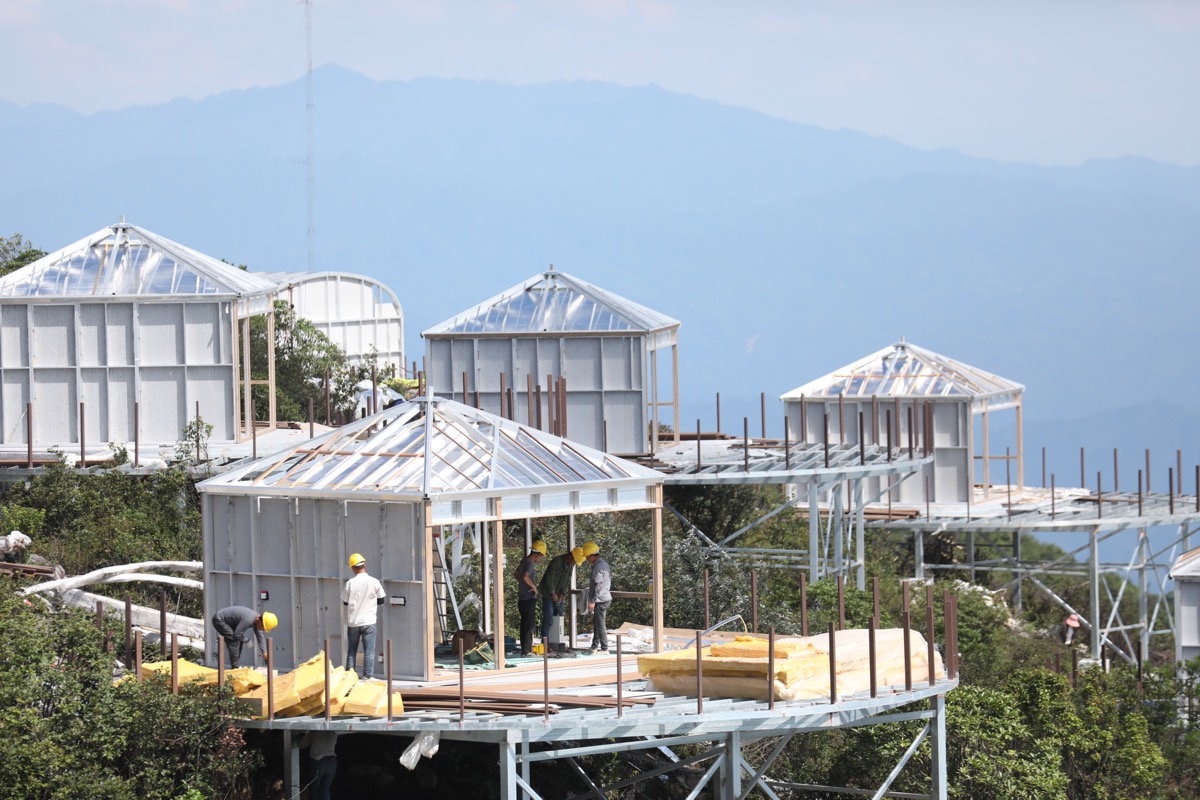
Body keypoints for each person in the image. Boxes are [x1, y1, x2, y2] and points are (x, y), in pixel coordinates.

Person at [343, 552, 385, 678]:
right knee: (369, 651)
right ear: (364, 565)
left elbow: (345, 601)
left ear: (352, 568)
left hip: (353, 622)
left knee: (351, 651)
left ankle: (349, 677)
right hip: (369, 621)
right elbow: (381, 600)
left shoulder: (350, 583)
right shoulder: (374, 581)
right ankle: (367, 676)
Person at [539, 546, 584, 650]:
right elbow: (549, 578)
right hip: (548, 593)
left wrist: (562, 594)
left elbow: (567, 579)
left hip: (559, 593)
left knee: (559, 617)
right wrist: (553, 593)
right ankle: (545, 641)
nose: (575, 563)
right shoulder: (557, 562)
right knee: (549, 617)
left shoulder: (571, 565)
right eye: (575, 560)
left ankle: (556, 640)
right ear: (570, 556)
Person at [211, 606, 277, 668]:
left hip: (228, 622)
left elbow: (260, 637)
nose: (262, 630)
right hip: (219, 620)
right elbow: (237, 634)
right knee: (234, 641)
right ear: (259, 621)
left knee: (239, 640)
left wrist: (264, 652)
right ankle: (235, 668)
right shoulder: (249, 620)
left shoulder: (256, 620)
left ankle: (235, 666)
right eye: (263, 627)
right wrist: (247, 640)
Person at [515, 540, 547, 656]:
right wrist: (534, 587)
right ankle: (527, 651)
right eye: (541, 556)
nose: (541, 559)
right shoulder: (529, 562)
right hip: (528, 599)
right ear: (538, 553)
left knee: (525, 624)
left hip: (522, 598)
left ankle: (525, 649)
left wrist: (523, 586)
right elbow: (525, 576)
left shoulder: (524, 561)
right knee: (529, 626)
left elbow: (516, 574)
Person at [583, 541, 612, 652]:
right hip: (604, 598)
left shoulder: (598, 567)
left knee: (600, 625)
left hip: (601, 599)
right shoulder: (603, 564)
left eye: (586, 556)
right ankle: (595, 646)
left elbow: (598, 585)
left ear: (591, 555)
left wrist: (592, 601)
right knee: (597, 623)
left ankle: (604, 648)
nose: (586, 559)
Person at [297, 730, 338, 800]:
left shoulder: (314, 731)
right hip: (332, 762)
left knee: (315, 788)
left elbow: (301, 745)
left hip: (319, 761)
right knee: (325, 789)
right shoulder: (333, 732)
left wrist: (298, 738)